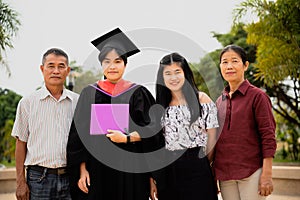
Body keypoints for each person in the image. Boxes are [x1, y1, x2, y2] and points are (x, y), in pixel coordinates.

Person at [66, 28, 159, 200]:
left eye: (117, 61)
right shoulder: (89, 93)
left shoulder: (138, 93)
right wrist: (82, 169)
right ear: (101, 65)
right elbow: (79, 135)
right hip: (97, 171)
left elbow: (154, 131)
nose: (112, 66)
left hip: (132, 171)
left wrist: (128, 138)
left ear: (125, 64)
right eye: (107, 61)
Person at [11, 48, 79, 200]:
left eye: (61, 66)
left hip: (70, 178)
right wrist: (20, 182)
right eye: (51, 65)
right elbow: (20, 143)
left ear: (67, 71)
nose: (56, 71)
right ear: (42, 69)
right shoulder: (28, 103)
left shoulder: (78, 102)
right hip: (38, 180)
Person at [151, 52, 219, 200]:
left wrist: (204, 163)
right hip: (168, 170)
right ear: (162, 78)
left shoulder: (202, 99)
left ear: (185, 73)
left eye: (177, 72)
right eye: (168, 73)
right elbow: (156, 143)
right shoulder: (159, 107)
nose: (173, 77)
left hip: (197, 166)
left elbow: (212, 137)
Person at [213, 45, 277, 200]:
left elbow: (268, 136)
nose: (229, 66)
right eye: (224, 62)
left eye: (234, 61)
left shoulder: (258, 96)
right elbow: (214, 140)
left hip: (252, 172)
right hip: (225, 175)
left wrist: (267, 175)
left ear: (245, 65)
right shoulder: (218, 101)